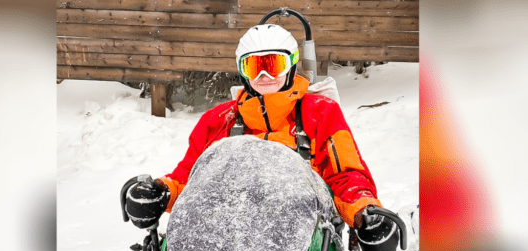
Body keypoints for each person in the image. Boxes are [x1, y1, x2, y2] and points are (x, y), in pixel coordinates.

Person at [126, 24, 384, 232]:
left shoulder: (320, 112)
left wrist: (364, 211)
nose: (265, 77)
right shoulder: (219, 120)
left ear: (292, 65)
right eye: (255, 68)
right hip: (228, 226)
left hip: (300, 226)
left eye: (273, 66)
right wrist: (161, 192)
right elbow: (190, 178)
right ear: (242, 71)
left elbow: (346, 174)